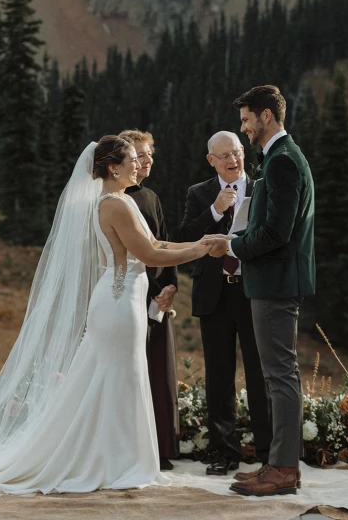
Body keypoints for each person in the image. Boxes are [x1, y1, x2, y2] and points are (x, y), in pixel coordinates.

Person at [0, 136, 209, 493]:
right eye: (130, 159)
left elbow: (156, 245)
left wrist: (202, 243)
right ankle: (113, 461)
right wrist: (200, 252)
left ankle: (118, 458)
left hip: (124, 300)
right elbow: (151, 255)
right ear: (113, 167)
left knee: (116, 379)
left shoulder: (119, 202)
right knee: (117, 379)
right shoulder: (115, 206)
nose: (138, 164)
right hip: (119, 303)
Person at [205, 86, 315, 497]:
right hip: (272, 280)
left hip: (276, 282)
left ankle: (284, 469)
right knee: (275, 376)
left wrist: (230, 245)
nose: (244, 128)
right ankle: (278, 464)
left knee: (280, 376)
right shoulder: (280, 158)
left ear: (266, 117)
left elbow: (276, 232)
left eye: (246, 119)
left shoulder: (284, 161)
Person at [179, 131, 271, 476]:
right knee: (219, 376)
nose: (233, 160)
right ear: (211, 161)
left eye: (237, 152)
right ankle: (223, 451)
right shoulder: (199, 193)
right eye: (224, 155)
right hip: (214, 294)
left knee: (260, 373)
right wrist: (216, 211)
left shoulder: (262, 188)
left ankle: (267, 450)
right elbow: (186, 238)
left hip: (253, 291)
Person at [119, 129, 179, 470]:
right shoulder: (116, 200)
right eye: (141, 155)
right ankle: (133, 445)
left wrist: (170, 286)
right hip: (133, 294)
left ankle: (161, 446)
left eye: (150, 154)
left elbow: (164, 241)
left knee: (159, 372)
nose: (148, 160)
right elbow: (142, 250)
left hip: (158, 298)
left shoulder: (151, 197)